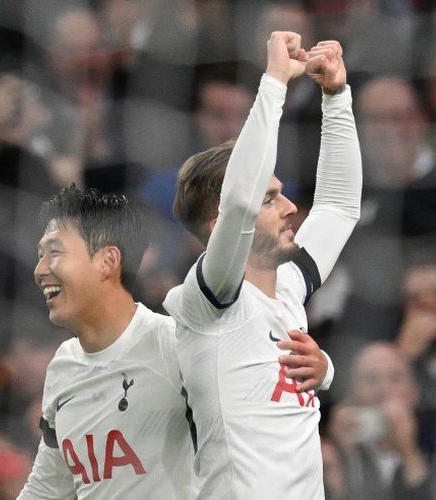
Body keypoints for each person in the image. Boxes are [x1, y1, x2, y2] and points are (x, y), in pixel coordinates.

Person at [18, 184, 332, 498]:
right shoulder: (63, 368)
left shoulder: (178, 345)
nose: (39, 270)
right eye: (40, 255)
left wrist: (324, 369)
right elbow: (46, 489)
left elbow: (264, 404)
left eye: (54, 252)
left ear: (107, 261)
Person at [163, 31, 360, 498]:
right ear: (219, 227)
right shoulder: (209, 301)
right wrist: (273, 81)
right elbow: (239, 201)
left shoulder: (290, 288)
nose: (291, 207)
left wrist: (336, 96)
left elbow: (337, 206)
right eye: (270, 198)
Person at [327, 342, 432, 500]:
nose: (383, 389)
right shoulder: (330, 449)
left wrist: (409, 454)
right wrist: (343, 454)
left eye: (395, 378)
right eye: (370, 379)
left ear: (415, 392)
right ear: (350, 392)